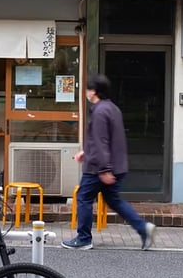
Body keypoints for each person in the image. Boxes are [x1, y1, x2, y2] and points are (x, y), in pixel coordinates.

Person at [62, 73, 156, 251]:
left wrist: (104, 169)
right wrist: (86, 152)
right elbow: (106, 139)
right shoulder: (112, 108)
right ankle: (143, 228)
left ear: (94, 91)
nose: (86, 93)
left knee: (83, 197)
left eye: (88, 90)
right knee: (114, 200)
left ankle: (83, 238)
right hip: (116, 165)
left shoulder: (99, 111)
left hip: (99, 167)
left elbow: (101, 141)